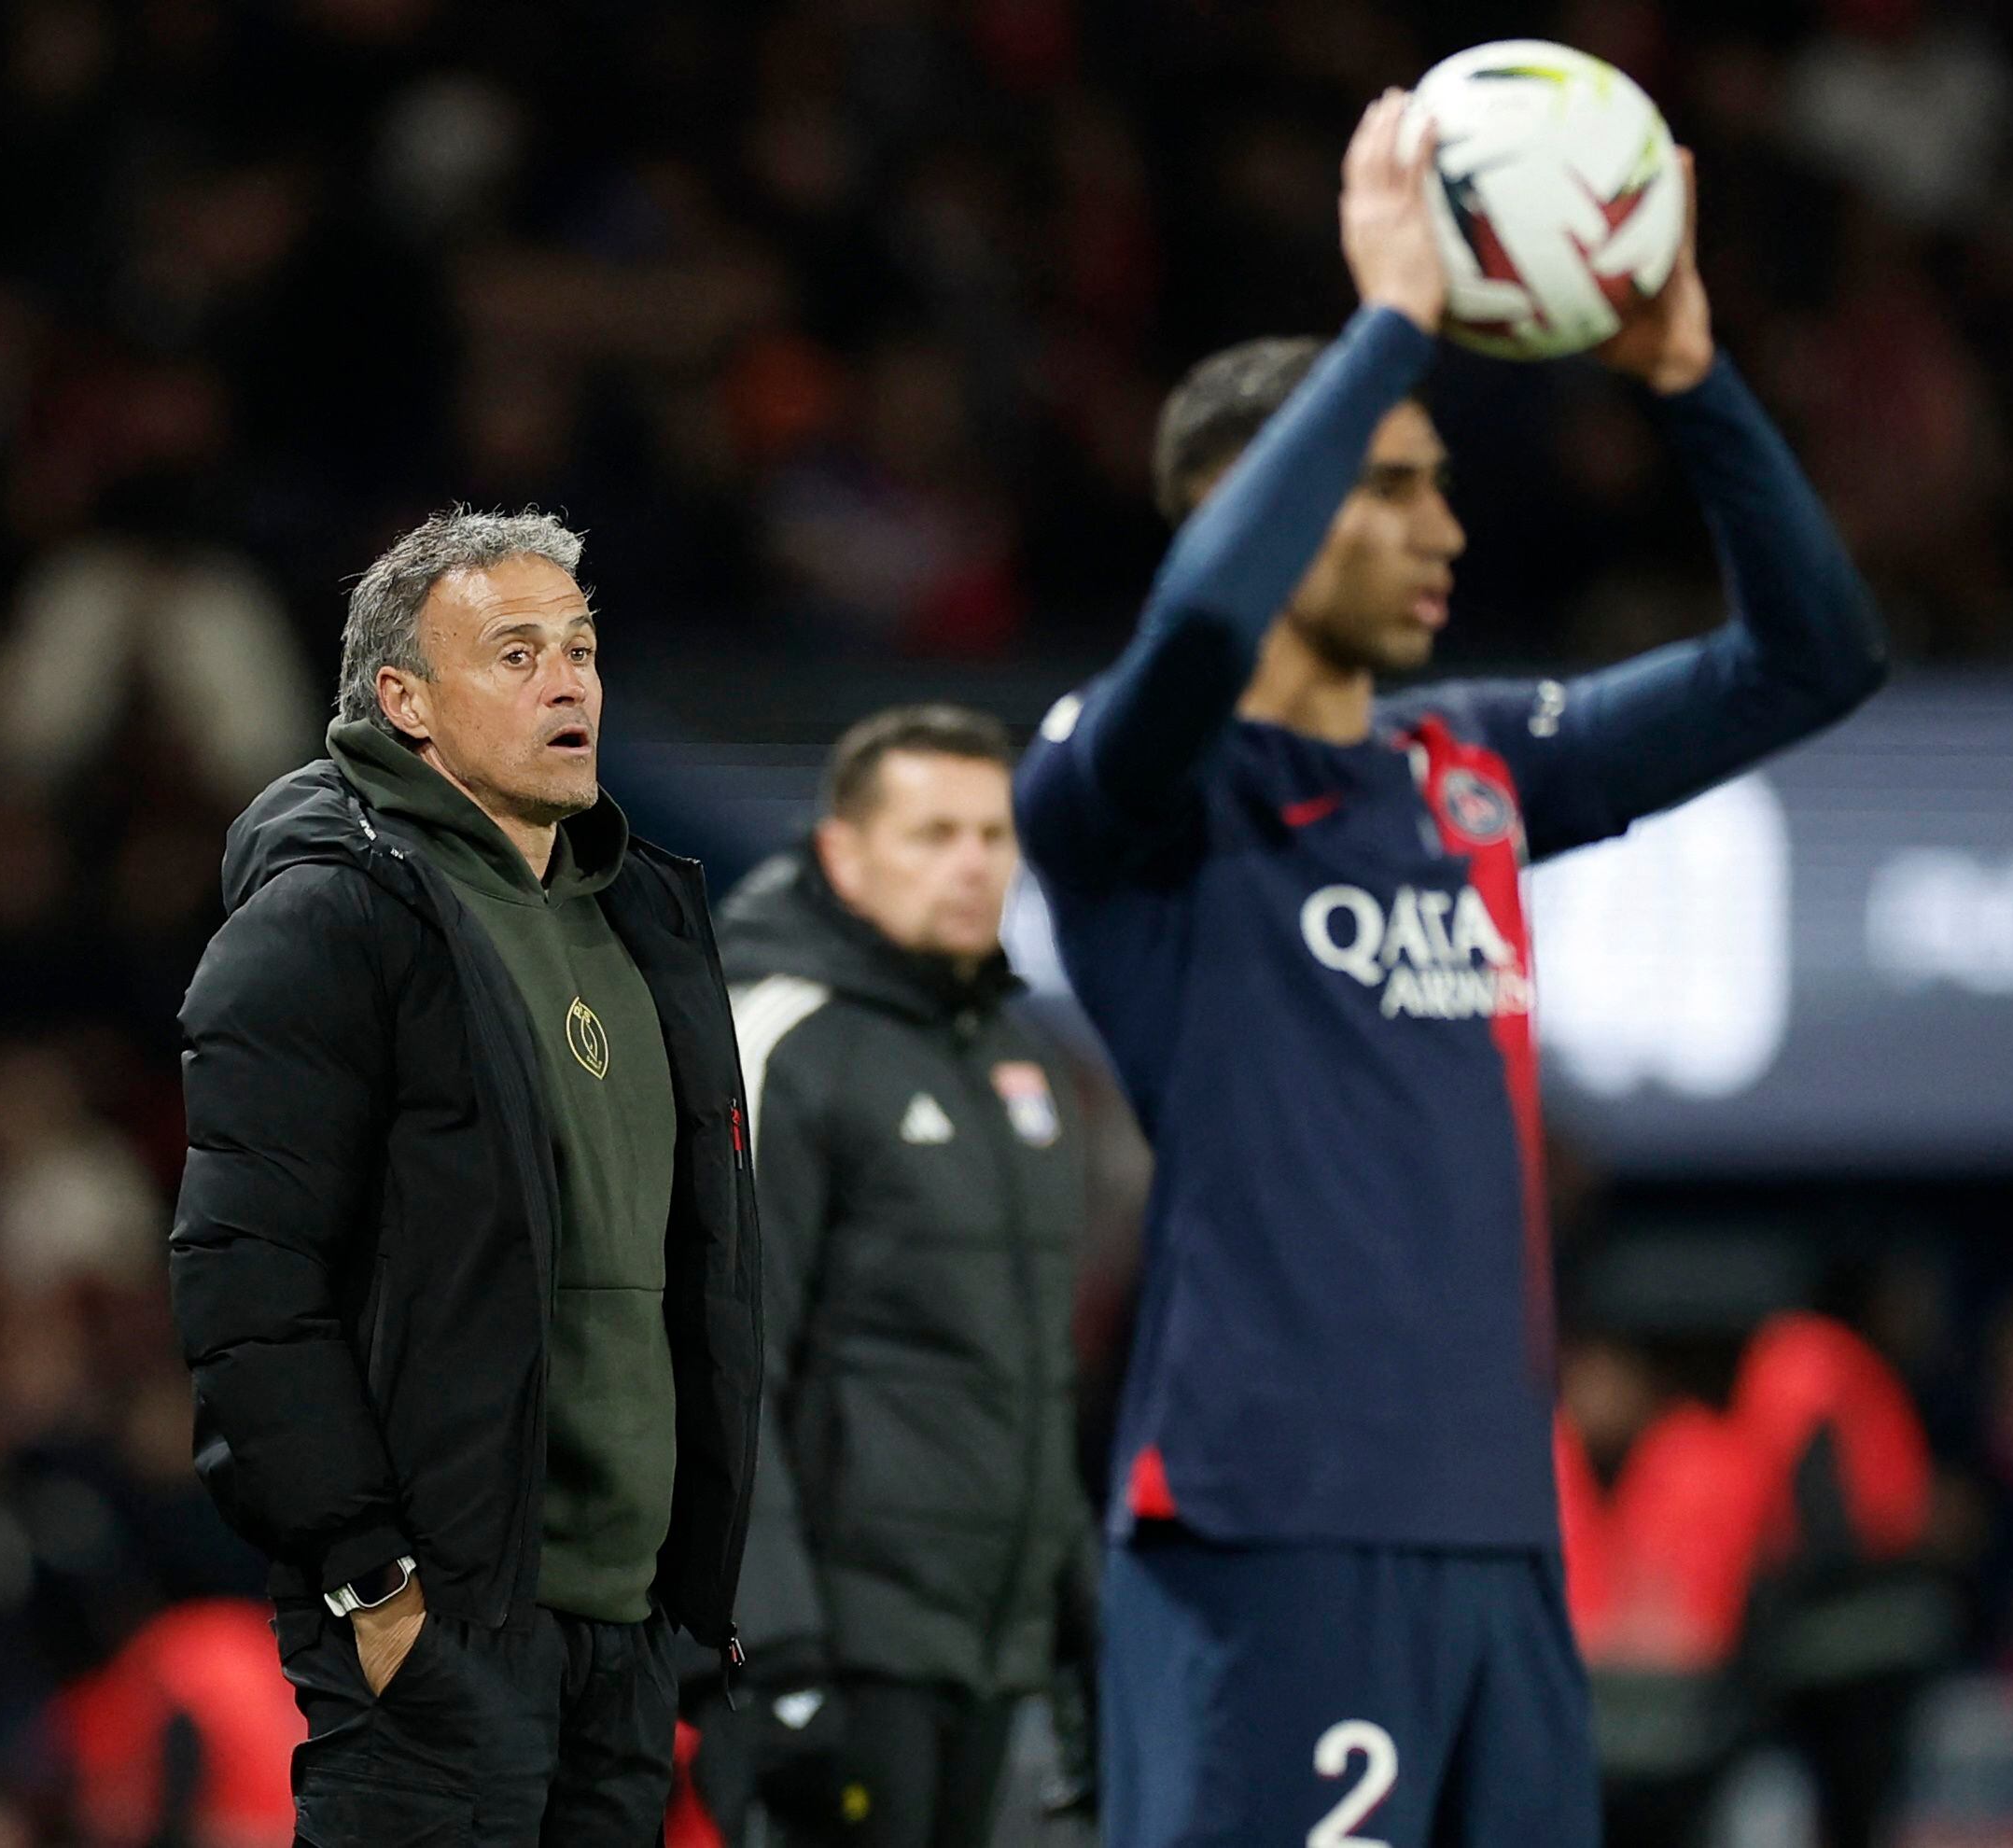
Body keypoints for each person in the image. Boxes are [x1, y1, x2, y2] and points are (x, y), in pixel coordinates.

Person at [1014, 91, 1889, 1844]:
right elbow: (1195, 634)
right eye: (1390, 492)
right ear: (1251, 508)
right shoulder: (1132, 787)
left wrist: (1690, 376)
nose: (1446, 535)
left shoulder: (1472, 765)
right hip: (1269, 1523)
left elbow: (1813, 659)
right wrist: (1394, 317)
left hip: (1494, 1530)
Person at [168, 508, 762, 1846]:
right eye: (513, 654)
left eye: (581, 650)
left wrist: (689, 1612)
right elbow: (246, 1284)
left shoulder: (646, 920)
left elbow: (700, 1280)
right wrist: (370, 1586)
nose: (567, 683)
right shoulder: (330, 915)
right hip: (442, 1632)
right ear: (406, 704)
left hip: (624, 1640)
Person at [685, 705, 1096, 1846]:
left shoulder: (1022, 1064)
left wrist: (1078, 1635)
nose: (970, 866)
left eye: (990, 835)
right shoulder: (779, 1041)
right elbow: (722, 1370)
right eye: (931, 835)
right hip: (837, 1655)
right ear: (841, 854)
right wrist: (771, 1655)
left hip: (989, 1656)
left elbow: (1036, 1383)